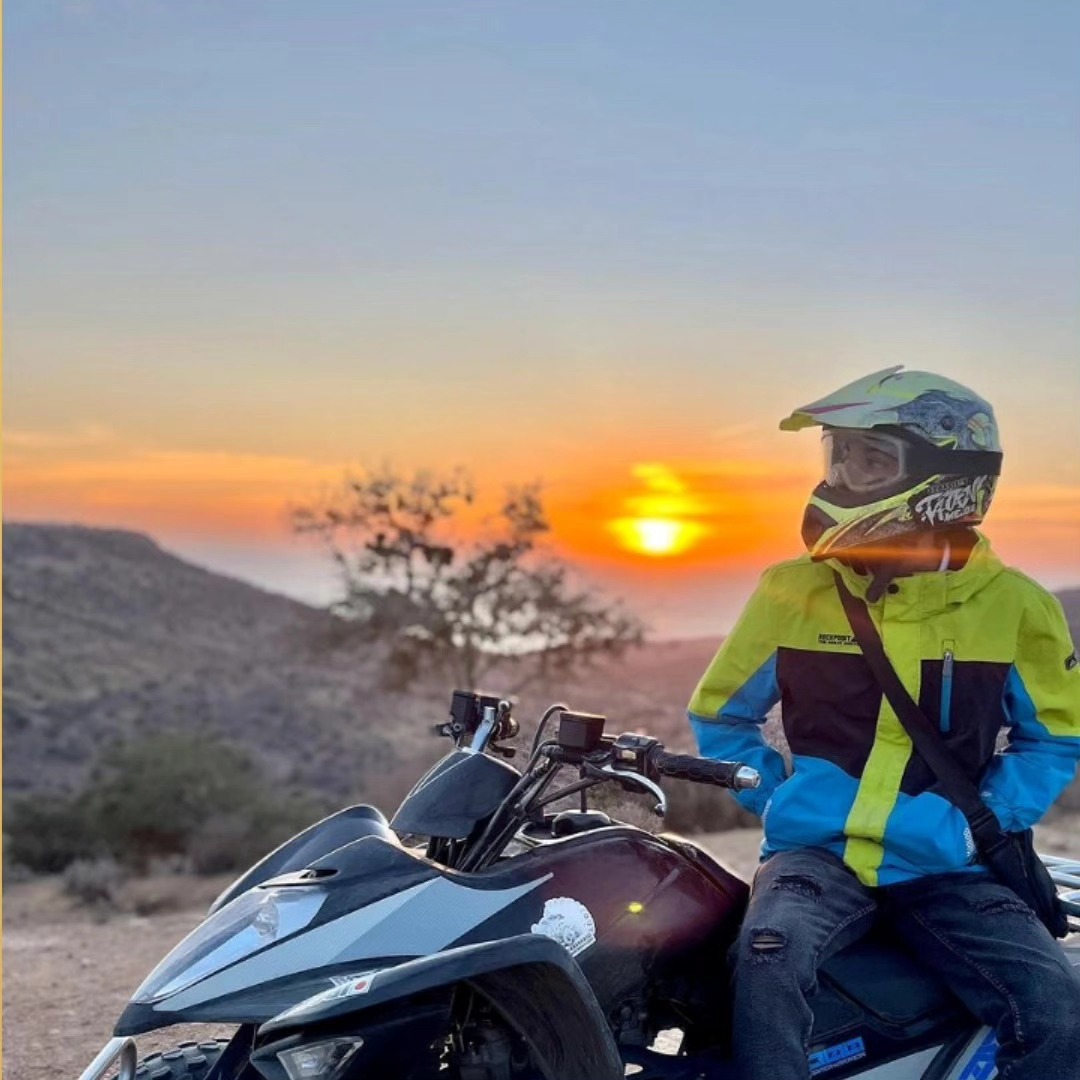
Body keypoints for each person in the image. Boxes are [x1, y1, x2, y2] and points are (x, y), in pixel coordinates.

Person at [688, 366, 1080, 1079]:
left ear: (947, 477)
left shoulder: (1016, 607)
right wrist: (776, 798)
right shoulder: (791, 590)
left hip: (948, 865)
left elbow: (1053, 737)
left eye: (872, 458)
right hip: (818, 855)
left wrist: (974, 823)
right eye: (839, 454)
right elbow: (721, 714)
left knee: (1056, 1009)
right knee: (764, 962)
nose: (843, 473)